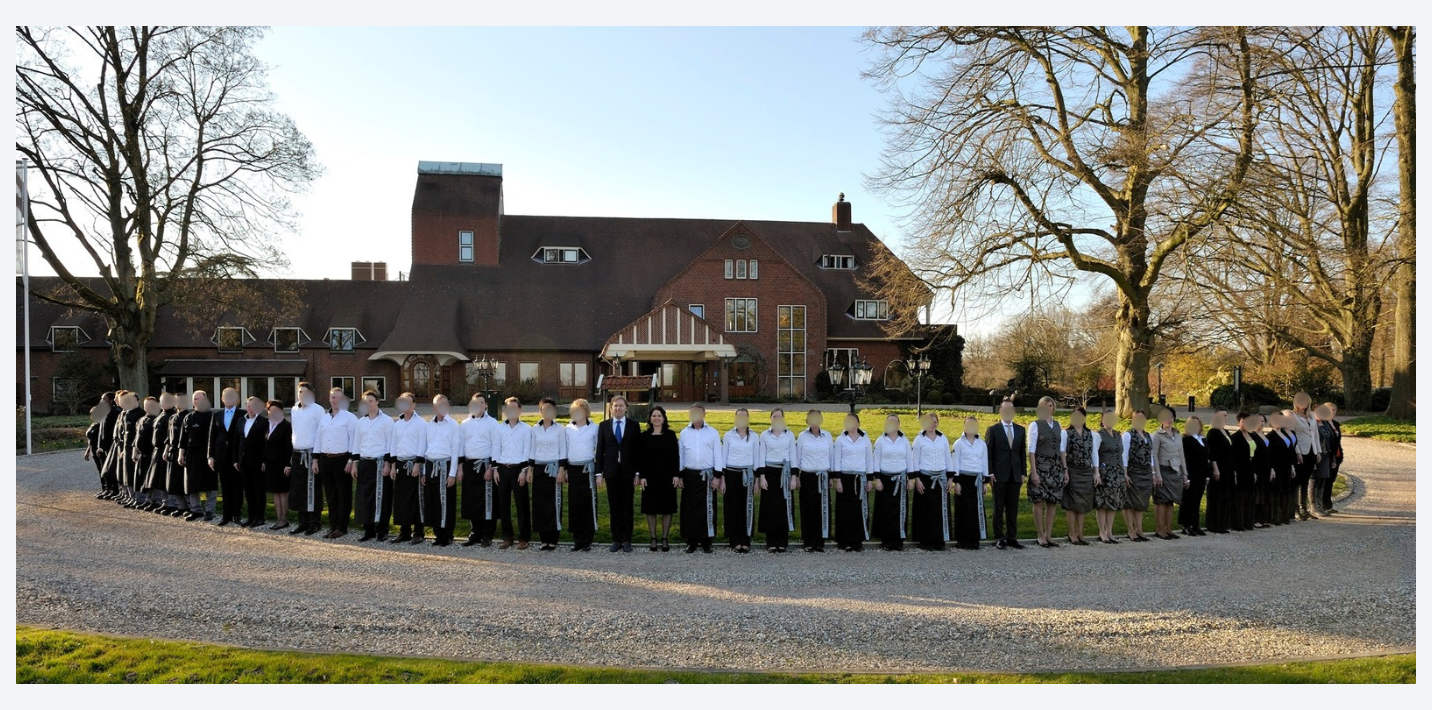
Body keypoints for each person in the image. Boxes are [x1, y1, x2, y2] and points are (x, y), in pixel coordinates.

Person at [595, 395, 641, 553]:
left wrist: (637, 473)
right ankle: (616, 539)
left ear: (626, 408)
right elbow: (600, 451)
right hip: (611, 472)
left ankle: (627, 539)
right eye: (615, 405)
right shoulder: (604, 426)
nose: (618, 408)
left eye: (621, 405)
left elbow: (638, 450)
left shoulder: (634, 426)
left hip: (628, 472)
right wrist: (599, 473)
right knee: (614, 506)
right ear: (611, 408)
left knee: (627, 506)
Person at [677, 403, 722, 553]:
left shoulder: (713, 433)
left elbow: (718, 455)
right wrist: (680, 476)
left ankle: (706, 540)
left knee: (707, 508)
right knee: (689, 509)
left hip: (707, 475)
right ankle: (692, 541)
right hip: (690, 475)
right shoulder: (684, 433)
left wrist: (717, 476)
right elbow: (681, 455)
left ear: (704, 414)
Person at [314, 388, 359, 539]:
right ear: (329, 399)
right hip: (325, 459)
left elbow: (354, 440)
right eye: (333, 397)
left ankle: (341, 526)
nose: (335, 400)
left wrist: (351, 460)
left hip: (342, 460)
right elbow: (318, 439)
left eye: (338, 398)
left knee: (343, 494)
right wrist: (315, 460)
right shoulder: (324, 418)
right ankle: (332, 525)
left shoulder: (350, 418)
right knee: (330, 495)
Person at [458, 393, 501, 547]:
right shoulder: (464, 424)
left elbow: (496, 446)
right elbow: (460, 446)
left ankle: (487, 535)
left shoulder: (493, 423)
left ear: (486, 405)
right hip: (469, 466)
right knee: (472, 501)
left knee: (487, 501)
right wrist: (460, 468)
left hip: (485, 466)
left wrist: (491, 468)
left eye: (482, 402)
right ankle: (475, 533)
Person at [525, 397, 567, 551]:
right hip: (539, 469)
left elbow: (563, 450)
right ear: (540, 411)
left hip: (554, 469)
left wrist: (562, 469)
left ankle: (553, 538)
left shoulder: (560, 429)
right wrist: (530, 469)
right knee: (540, 504)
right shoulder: (534, 428)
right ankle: (543, 539)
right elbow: (532, 449)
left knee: (553, 504)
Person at [985, 400, 1027, 550]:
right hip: (998, 474)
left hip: (1015, 474)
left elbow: (1022, 453)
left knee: (1013, 507)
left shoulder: (1020, 430)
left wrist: (1023, 472)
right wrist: (989, 473)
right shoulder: (993, 430)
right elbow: (988, 453)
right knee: (998, 507)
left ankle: (1011, 537)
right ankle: (999, 537)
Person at [387, 392, 428, 544]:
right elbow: (393, 445)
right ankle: (404, 531)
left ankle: (419, 532)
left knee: (416, 498)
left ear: (414, 404)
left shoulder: (421, 423)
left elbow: (422, 445)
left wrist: (418, 464)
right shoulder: (397, 424)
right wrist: (393, 466)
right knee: (401, 499)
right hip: (400, 464)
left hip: (414, 464)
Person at [353, 390, 395, 542]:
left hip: (380, 463)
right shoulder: (360, 422)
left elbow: (390, 444)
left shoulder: (387, 421)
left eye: (371, 401)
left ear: (377, 401)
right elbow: (356, 443)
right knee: (365, 497)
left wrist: (388, 464)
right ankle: (368, 529)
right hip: (365, 463)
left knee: (383, 497)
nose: (368, 404)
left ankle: (382, 530)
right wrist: (354, 464)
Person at [421, 395, 462, 547]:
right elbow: (425, 448)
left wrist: (452, 474)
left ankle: (447, 534)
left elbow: (455, 451)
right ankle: (437, 533)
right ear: (434, 408)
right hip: (431, 465)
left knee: (446, 501)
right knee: (433, 500)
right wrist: (424, 471)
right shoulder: (429, 425)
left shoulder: (453, 425)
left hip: (445, 465)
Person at [1027, 396, 1067, 548]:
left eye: (1050, 405)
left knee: (1052, 502)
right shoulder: (1035, 425)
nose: (1048, 408)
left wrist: (1065, 469)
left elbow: (1061, 449)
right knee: (1038, 501)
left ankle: (1048, 534)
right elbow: (1031, 450)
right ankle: (1040, 534)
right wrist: (1034, 472)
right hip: (1041, 466)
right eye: (1045, 406)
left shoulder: (1057, 425)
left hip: (1055, 468)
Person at [492, 396, 532, 550]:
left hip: (518, 470)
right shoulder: (499, 428)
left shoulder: (526, 429)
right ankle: (507, 537)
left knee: (522, 505)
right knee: (503, 505)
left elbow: (527, 450)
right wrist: (495, 469)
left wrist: (523, 471)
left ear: (520, 410)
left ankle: (524, 537)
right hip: (502, 469)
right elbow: (496, 448)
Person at [638, 405, 679, 551]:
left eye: (659, 416)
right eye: (654, 416)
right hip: (650, 478)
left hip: (667, 477)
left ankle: (665, 538)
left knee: (667, 508)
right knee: (651, 508)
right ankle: (653, 538)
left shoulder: (670, 435)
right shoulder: (644, 436)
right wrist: (642, 476)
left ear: (664, 418)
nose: (656, 418)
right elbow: (640, 458)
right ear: (650, 419)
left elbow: (676, 456)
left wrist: (676, 475)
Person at [287, 382, 326, 536]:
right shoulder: (294, 409)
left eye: (304, 391)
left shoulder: (318, 410)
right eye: (299, 392)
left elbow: (322, 433)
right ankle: (302, 522)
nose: (301, 394)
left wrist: (316, 456)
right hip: (297, 453)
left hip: (311, 453)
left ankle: (314, 522)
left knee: (312, 489)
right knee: (299, 488)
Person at [911, 412, 953, 551]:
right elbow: (915, 461)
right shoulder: (919, 440)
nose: (932, 424)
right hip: (925, 479)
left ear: (937, 423)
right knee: (925, 511)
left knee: (939, 511)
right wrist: (917, 480)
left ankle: (939, 540)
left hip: (941, 479)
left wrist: (950, 478)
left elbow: (948, 459)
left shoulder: (943, 439)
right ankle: (925, 541)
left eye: (935, 422)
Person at [796, 410, 837, 553]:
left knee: (822, 509)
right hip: (807, 477)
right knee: (808, 509)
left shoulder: (827, 436)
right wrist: (796, 476)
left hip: (823, 477)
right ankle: (808, 541)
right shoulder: (802, 436)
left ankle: (820, 541)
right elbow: (797, 457)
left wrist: (831, 476)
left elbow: (831, 457)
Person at [832, 412, 873, 553]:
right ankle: (844, 541)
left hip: (860, 479)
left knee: (858, 510)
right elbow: (837, 460)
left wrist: (869, 480)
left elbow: (869, 460)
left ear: (858, 423)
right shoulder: (840, 440)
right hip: (845, 478)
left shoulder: (865, 439)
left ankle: (857, 541)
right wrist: (838, 480)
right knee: (845, 511)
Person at [721, 408, 761, 553]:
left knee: (747, 507)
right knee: (733, 508)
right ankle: (735, 540)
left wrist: (757, 480)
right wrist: (722, 479)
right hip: (731, 475)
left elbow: (757, 458)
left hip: (748, 475)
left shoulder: (755, 437)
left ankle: (746, 539)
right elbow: (723, 458)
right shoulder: (728, 436)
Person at [757, 409, 796, 553]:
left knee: (784, 507)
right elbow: (761, 456)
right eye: (774, 416)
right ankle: (771, 541)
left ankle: (782, 540)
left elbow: (793, 456)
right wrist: (762, 477)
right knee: (770, 507)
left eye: (779, 416)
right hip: (769, 473)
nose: (777, 419)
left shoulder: (789, 435)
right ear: (770, 418)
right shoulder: (764, 435)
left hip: (785, 473)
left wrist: (793, 477)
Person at [872, 413, 912, 551]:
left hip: (900, 480)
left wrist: (911, 479)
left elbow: (909, 460)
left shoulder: (905, 441)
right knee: (885, 510)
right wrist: (877, 479)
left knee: (899, 510)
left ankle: (898, 540)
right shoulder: (880, 441)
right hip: (884, 480)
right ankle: (886, 540)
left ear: (899, 425)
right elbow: (876, 460)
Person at [565, 398, 600, 552]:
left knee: (588, 503)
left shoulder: (594, 428)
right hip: (573, 469)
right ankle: (577, 539)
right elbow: (565, 449)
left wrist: (598, 472)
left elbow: (598, 450)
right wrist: (565, 470)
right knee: (575, 504)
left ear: (586, 412)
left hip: (588, 469)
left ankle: (587, 539)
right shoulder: (567, 429)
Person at [950, 415, 988, 551]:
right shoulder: (958, 444)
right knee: (963, 510)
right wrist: (957, 482)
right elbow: (955, 463)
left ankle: (974, 539)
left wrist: (985, 482)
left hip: (977, 480)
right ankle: (963, 540)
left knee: (975, 510)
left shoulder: (982, 444)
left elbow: (984, 463)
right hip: (963, 479)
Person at [178, 391, 217, 522]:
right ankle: (196, 510)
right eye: (195, 399)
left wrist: (212, 455)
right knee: (192, 482)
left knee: (209, 483)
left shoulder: (212, 416)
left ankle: (210, 510)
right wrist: (181, 454)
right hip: (192, 454)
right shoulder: (188, 418)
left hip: (207, 454)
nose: (197, 401)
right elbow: (182, 439)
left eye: (199, 398)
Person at [1150, 407, 1187, 541]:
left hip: (1176, 471)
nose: (1168, 420)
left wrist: (1185, 474)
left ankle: (1168, 528)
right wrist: (1157, 474)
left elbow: (1181, 455)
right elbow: (1154, 455)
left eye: (1170, 417)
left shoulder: (1178, 435)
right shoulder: (1157, 435)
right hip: (1163, 470)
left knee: (1171, 500)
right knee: (1161, 500)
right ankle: (1160, 529)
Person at [208, 388, 245, 525]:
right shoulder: (216, 415)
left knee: (237, 486)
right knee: (225, 486)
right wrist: (210, 456)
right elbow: (211, 436)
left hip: (236, 455)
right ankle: (226, 515)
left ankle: (237, 514)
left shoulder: (243, 414)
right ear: (222, 399)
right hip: (221, 455)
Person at [1061, 407, 1097, 546]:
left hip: (1086, 471)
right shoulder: (1066, 433)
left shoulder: (1090, 434)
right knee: (1072, 504)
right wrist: (1065, 470)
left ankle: (1080, 533)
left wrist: (1096, 472)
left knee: (1083, 503)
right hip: (1072, 471)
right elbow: (1062, 452)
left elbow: (1094, 453)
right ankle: (1072, 533)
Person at [1092, 410, 1126, 544]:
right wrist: (1096, 473)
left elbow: (1121, 454)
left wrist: (1123, 472)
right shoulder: (1099, 435)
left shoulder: (1118, 435)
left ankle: (1109, 531)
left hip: (1117, 472)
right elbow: (1094, 454)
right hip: (1104, 472)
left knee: (1113, 502)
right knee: (1102, 503)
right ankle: (1101, 531)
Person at [1121, 409, 1154, 542]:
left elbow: (1151, 456)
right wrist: (1125, 474)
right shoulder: (1128, 435)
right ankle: (1130, 529)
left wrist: (1153, 472)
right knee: (1129, 502)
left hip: (1146, 471)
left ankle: (1139, 528)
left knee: (1141, 501)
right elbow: (1124, 455)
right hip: (1133, 471)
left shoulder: (1148, 435)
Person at [1289, 392, 1323, 521]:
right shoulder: (1292, 415)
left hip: (1311, 451)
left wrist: (1318, 451)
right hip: (1300, 451)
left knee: (1305, 481)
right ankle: (1296, 509)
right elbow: (1293, 435)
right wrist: (1297, 451)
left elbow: (1315, 434)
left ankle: (1304, 508)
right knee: (1297, 481)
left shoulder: (1312, 415)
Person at [236, 396, 269, 528]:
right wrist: (235, 459)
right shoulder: (241, 421)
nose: (250, 408)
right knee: (248, 490)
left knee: (258, 490)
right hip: (243, 461)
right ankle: (251, 516)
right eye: (248, 406)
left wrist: (264, 460)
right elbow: (236, 441)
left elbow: (266, 443)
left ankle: (260, 517)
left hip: (257, 461)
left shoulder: (264, 422)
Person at [262, 400, 294, 530]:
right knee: (275, 492)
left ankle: (284, 519)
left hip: (282, 464)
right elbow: (265, 446)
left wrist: (288, 464)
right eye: (270, 410)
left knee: (283, 492)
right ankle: (278, 518)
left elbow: (288, 447)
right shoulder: (267, 425)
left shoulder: (286, 426)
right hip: (270, 464)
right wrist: (263, 461)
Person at [1203, 409, 1234, 534]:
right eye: (1222, 416)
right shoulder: (1213, 433)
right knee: (1217, 495)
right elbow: (1212, 453)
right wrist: (1215, 469)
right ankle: (1214, 523)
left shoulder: (1226, 432)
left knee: (1225, 495)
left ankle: (1223, 523)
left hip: (1228, 467)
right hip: (1218, 467)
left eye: (1226, 415)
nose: (1225, 418)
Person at [146, 392, 177, 514]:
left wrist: (167, 449)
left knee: (166, 478)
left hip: (166, 450)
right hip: (157, 450)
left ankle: (171, 503)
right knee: (159, 478)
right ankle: (163, 501)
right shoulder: (160, 415)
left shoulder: (172, 416)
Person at [1229, 412, 1260, 532]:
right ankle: (1239, 522)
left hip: (1251, 467)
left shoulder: (1252, 436)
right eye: (1243, 421)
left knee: (1250, 496)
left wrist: (1255, 470)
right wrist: (1234, 471)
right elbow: (1233, 456)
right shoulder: (1235, 437)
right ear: (1238, 423)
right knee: (1240, 496)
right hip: (1240, 467)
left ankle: (1248, 521)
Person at [161, 393, 191, 517]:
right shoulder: (172, 417)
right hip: (173, 451)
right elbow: (169, 436)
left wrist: (182, 452)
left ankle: (190, 507)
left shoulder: (188, 416)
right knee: (174, 481)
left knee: (184, 481)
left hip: (184, 452)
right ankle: (180, 506)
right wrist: (166, 450)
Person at [1180, 416, 1210, 537]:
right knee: (1188, 499)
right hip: (1191, 473)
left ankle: (1195, 524)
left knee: (1197, 500)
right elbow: (1185, 458)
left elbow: (1206, 458)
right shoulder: (1186, 440)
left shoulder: (1202, 439)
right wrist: (1185, 475)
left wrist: (1207, 474)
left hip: (1201, 474)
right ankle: (1186, 524)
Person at [1265, 412, 1295, 526]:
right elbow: (1270, 455)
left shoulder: (1285, 434)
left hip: (1286, 467)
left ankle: (1285, 516)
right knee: (1276, 492)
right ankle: (1275, 517)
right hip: (1276, 467)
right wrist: (1271, 468)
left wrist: (1292, 466)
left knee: (1285, 491)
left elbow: (1290, 451)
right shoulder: (1270, 436)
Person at [132, 396, 161, 511]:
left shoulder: (157, 420)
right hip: (141, 454)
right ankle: (144, 499)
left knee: (151, 478)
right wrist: (134, 450)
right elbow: (136, 437)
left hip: (151, 454)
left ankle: (155, 500)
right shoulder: (141, 420)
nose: (147, 407)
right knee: (141, 477)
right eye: (145, 405)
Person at [1317, 402, 1344, 514]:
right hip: (1327, 456)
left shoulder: (1336, 424)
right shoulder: (1322, 424)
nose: (1332, 412)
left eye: (1334, 410)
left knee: (1331, 481)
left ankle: (1328, 504)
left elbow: (1337, 442)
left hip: (1336, 456)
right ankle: (1322, 504)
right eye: (1329, 410)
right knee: (1325, 481)